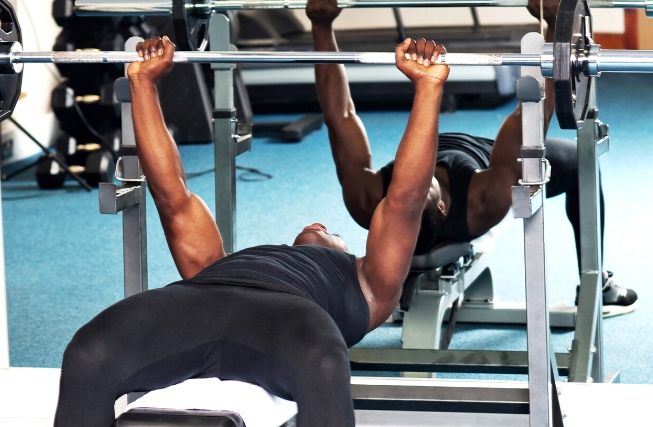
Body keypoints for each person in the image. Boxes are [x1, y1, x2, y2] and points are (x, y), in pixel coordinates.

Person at [53, 36, 449, 427]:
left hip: (290, 323)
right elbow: (173, 196)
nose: (317, 225)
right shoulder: (213, 263)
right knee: (88, 353)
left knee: (324, 361)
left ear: (346, 251)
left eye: (331, 232)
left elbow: (403, 202)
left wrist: (428, 89)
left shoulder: (370, 285)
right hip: (195, 304)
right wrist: (142, 83)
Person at [306, 0, 637, 316]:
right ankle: (597, 284)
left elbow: (340, 115)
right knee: (584, 160)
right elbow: (534, 109)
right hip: (487, 154)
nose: (409, 185)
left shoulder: (368, 201)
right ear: (441, 207)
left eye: (398, 194)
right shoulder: (486, 199)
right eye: (416, 192)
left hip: (443, 162)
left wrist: (321, 26)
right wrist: (554, 28)